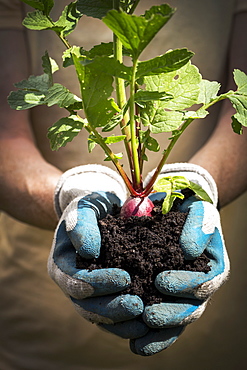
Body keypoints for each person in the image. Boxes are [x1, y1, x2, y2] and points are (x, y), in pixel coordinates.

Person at [0, 0, 247, 369]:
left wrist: (198, 185)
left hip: (223, 344)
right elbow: (5, 131)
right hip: (44, 337)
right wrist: (68, 195)